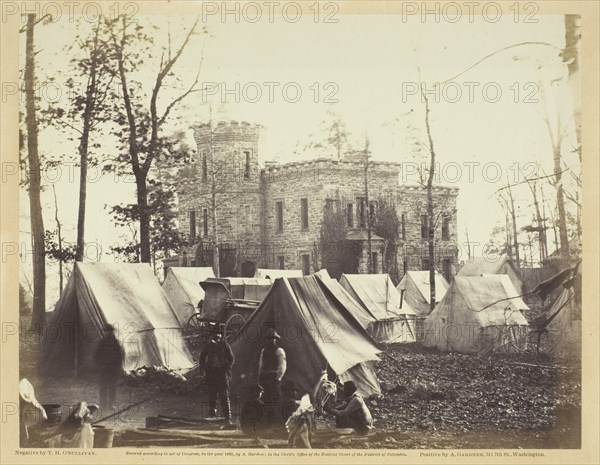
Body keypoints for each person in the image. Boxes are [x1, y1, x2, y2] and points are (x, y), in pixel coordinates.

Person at [199, 327, 235, 428]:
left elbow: (232, 358)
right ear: (212, 336)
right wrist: (206, 368)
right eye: (215, 334)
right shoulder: (208, 346)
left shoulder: (225, 345)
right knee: (212, 395)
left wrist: (226, 367)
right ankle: (212, 417)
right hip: (212, 374)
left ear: (221, 335)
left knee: (224, 395)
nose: (217, 336)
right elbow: (202, 359)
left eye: (219, 334)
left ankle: (228, 418)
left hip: (222, 374)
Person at [95, 324, 123, 411]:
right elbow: (97, 355)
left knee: (112, 387)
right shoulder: (102, 342)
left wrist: (117, 366)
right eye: (107, 332)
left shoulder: (116, 343)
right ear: (105, 332)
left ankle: (112, 404)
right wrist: (100, 365)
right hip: (104, 368)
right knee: (103, 387)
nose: (108, 333)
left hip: (113, 368)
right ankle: (103, 404)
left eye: (110, 332)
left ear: (112, 332)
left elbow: (120, 356)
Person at [258, 328, 286, 403]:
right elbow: (261, 364)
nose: (271, 340)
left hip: (274, 378)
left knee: (275, 397)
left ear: (275, 339)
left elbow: (282, 366)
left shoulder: (279, 350)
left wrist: (278, 378)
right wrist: (261, 375)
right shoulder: (264, 350)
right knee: (266, 397)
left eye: (273, 338)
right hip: (265, 377)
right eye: (269, 338)